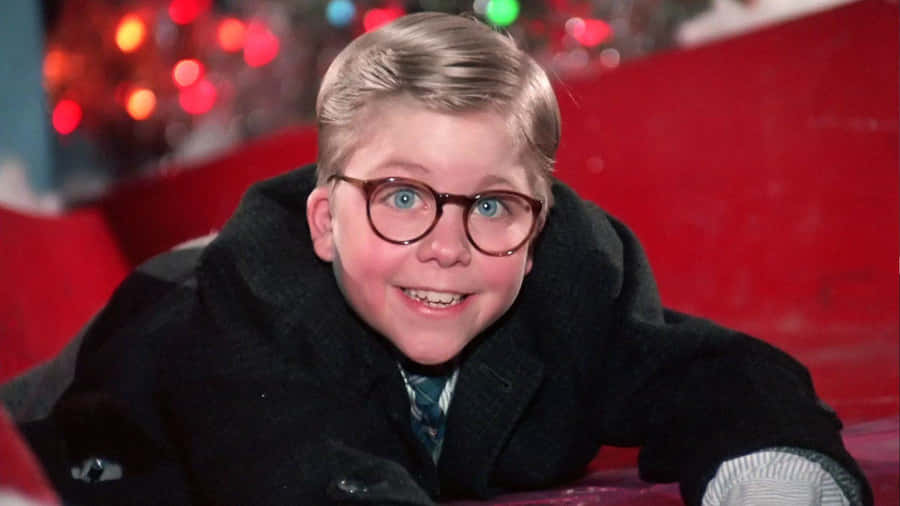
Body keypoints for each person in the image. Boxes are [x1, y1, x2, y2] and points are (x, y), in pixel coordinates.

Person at [19, 12, 871, 506]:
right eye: (401, 196)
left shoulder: (573, 280)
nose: (447, 245)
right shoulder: (251, 316)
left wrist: (774, 475)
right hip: (102, 412)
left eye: (492, 206)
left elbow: (717, 375)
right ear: (325, 221)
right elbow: (300, 471)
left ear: (536, 232)